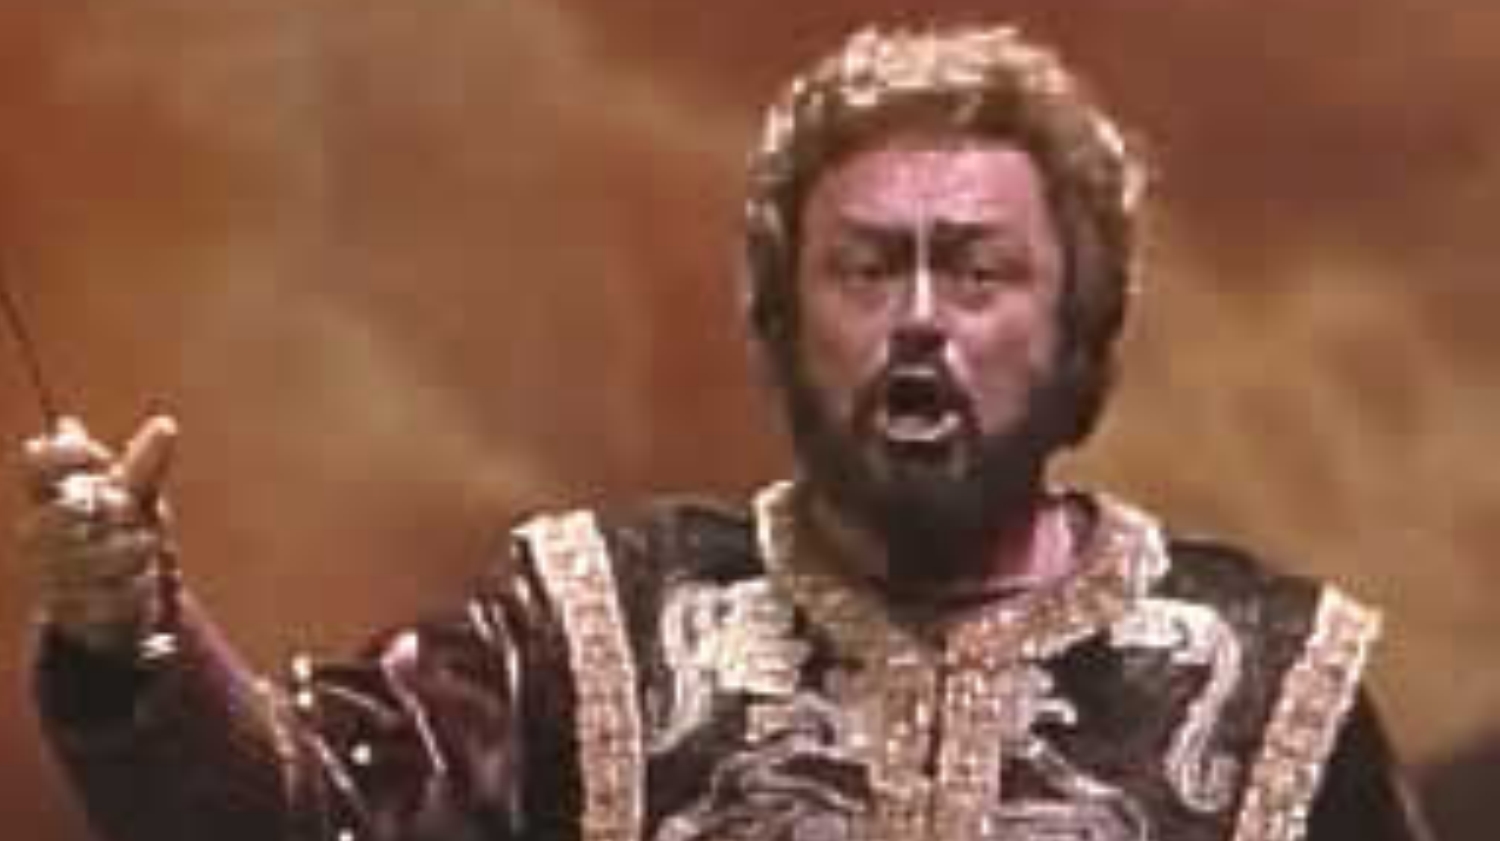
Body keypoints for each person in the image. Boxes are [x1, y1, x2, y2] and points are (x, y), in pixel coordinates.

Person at [12, 23, 1430, 841]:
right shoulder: (588, 631)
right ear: (780, 315)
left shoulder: (1270, 686)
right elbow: (302, 819)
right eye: (865, 268)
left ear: (1080, 323)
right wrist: (132, 636)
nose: (918, 317)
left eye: (977, 270)